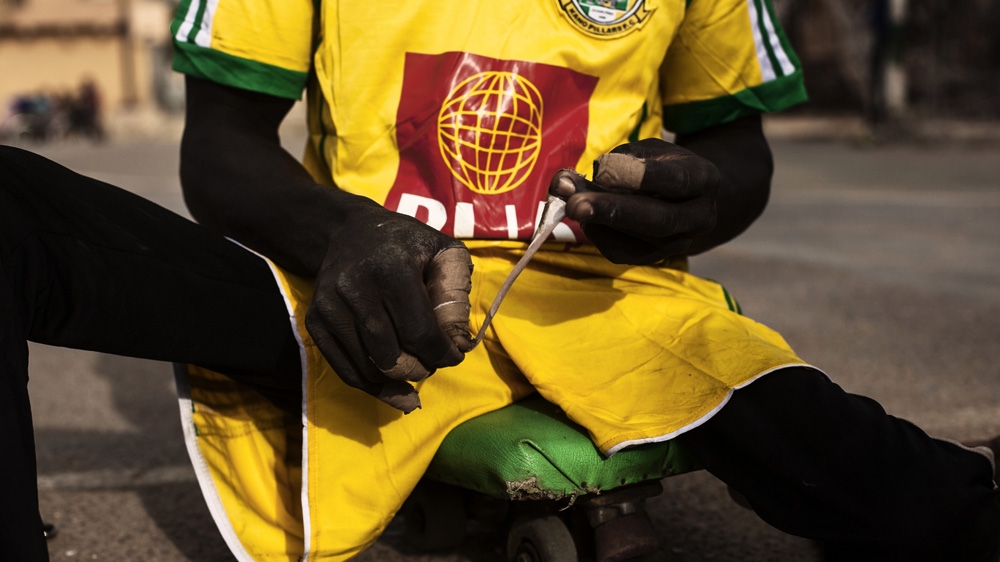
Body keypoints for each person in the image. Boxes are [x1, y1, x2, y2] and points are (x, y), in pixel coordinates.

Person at [1, 1, 996, 561]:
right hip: (347, 285)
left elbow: (736, 151)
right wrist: (344, 230)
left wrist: (699, 198)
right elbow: (220, 148)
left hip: (604, 297)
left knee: (920, 504)